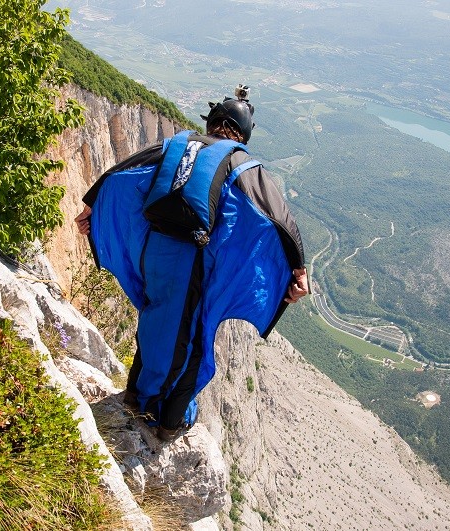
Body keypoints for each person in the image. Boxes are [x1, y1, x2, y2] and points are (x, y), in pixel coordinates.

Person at [75, 85, 308, 441]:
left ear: (211, 122)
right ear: (243, 133)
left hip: (153, 254)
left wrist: (93, 207)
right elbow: (279, 221)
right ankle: (167, 421)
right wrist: (298, 270)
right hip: (189, 263)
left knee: (156, 319)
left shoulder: (178, 145)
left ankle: (136, 395)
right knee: (191, 342)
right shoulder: (240, 162)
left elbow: (121, 173)